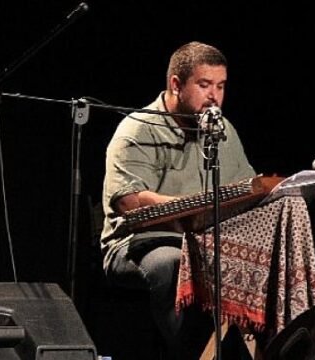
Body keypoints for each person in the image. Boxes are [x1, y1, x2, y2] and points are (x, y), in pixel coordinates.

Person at [100, 41, 257, 359]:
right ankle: (192, 354)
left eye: (221, 86)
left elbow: (248, 190)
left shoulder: (223, 130)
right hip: (140, 244)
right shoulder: (137, 129)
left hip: (209, 244)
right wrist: (196, 209)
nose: (214, 96)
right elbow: (130, 203)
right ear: (176, 84)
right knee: (171, 263)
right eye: (204, 85)